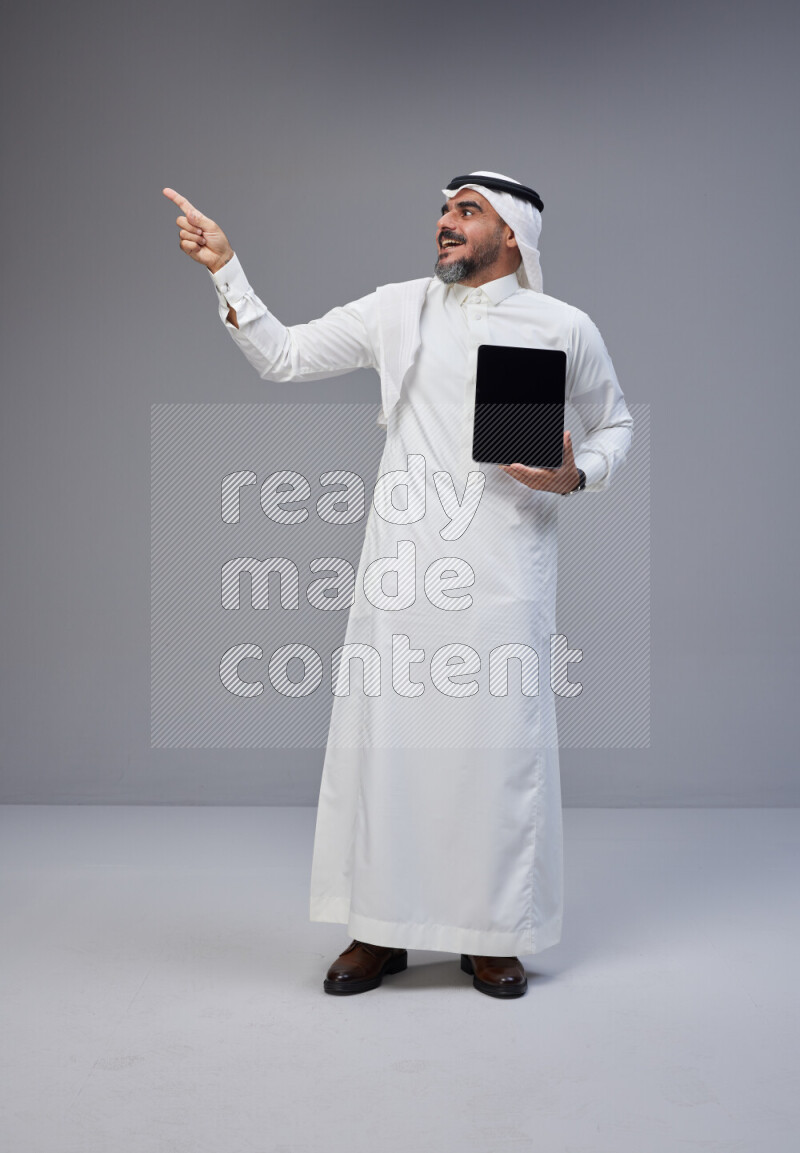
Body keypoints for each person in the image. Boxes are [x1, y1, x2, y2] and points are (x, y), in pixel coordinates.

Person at [163, 171, 633, 999]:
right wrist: (225, 268)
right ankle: (379, 929)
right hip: (403, 571)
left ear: (513, 236)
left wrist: (575, 474)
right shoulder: (396, 308)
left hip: (505, 573)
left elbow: (617, 423)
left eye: (467, 212)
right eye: (445, 211)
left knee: (494, 755)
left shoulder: (562, 325)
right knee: (389, 752)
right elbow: (285, 355)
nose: (445, 224)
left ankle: (490, 935)